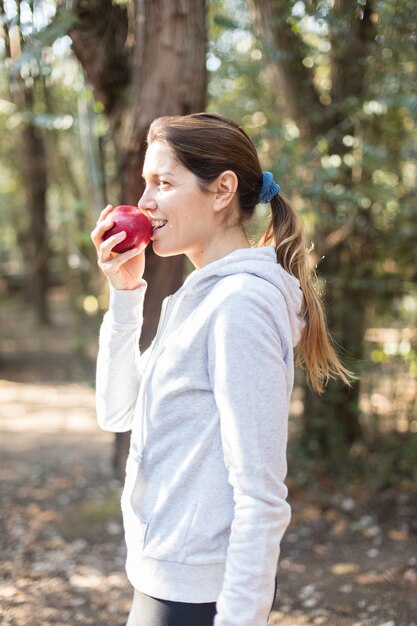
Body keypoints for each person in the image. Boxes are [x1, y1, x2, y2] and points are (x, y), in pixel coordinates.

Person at [91, 113, 353, 626]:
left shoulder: (239, 305)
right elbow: (116, 412)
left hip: (201, 593)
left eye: (163, 183)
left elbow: (261, 494)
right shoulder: (198, 297)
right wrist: (124, 295)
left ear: (222, 190)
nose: (144, 202)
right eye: (145, 183)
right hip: (163, 578)